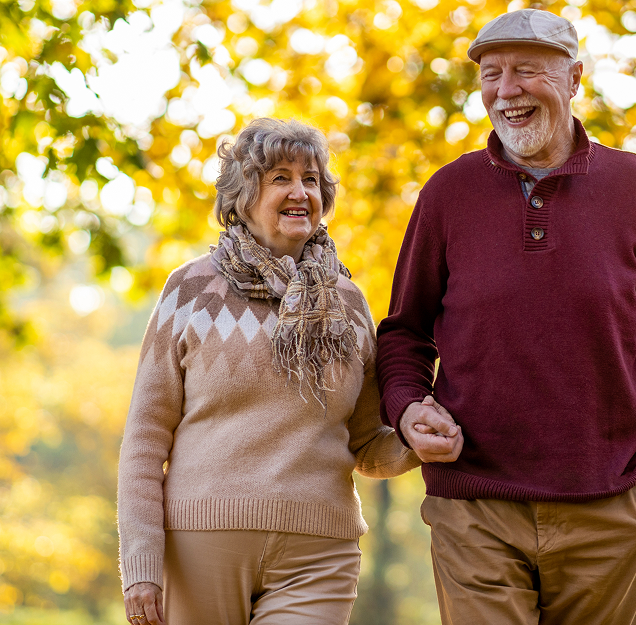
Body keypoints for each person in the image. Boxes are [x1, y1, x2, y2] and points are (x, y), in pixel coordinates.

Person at [377, 8, 636, 625]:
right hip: (474, 503)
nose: (506, 91)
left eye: (527, 71)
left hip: (610, 508)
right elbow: (404, 334)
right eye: (491, 75)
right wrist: (408, 407)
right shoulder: (449, 193)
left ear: (575, 79)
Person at [118, 117, 420, 625]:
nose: (300, 191)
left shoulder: (346, 303)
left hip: (319, 553)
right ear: (242, 194)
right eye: (280, 177)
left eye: (311, 179)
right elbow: (146, 440)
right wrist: (142, 565)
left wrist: (417, 440)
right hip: (200, 548)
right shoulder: (192, 290)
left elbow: (367, 443)